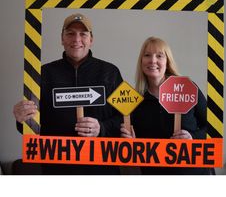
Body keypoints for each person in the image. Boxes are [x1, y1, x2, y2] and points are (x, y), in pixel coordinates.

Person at [13, 13, 123, 174]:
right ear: (62, 39)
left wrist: (101, 128)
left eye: (83, 34)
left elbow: (126, 118)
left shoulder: (110, 72)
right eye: (70, 33)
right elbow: (31, 126)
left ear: (91, 40)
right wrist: (21, 118)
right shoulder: (42, 74)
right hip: (56, 169)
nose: (76, 39)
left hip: (102, 169)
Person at [120, 36, 211, 175]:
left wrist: (193, 137)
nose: (153, 60)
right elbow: (139, 150)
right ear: (141, 61)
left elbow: (213, 128)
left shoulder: (188, 89)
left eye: (159, 56)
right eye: (147, 55)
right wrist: (133, 143)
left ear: (167, 61)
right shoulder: (135, 101)